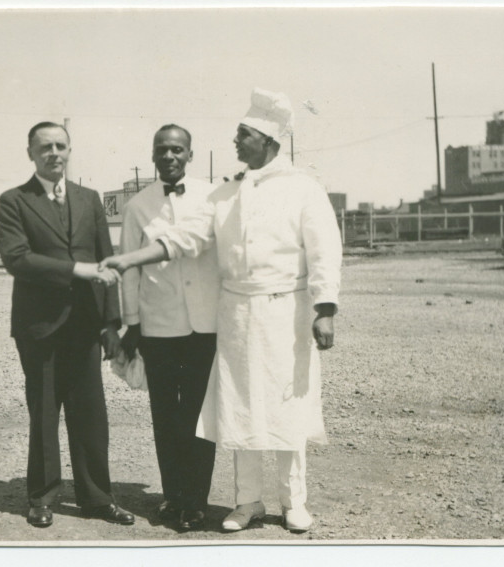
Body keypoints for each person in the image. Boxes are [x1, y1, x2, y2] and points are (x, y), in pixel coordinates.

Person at [102, 89, 342, 534]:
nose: (235, 142)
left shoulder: (304, 188)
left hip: (286, 312)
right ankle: (247, 501)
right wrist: (130, 259)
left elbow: (325, 251)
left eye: (243, 135)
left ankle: (294, 502)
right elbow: (185, 237)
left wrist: (324, 308)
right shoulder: (226, 193)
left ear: (268, 140)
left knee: (288, 407)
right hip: (235, 317)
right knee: (241, 408)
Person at [0, 121, 134, 528]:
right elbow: (17, 258)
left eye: (60, 146)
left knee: (91, 413)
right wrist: (78, 269)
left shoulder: (88, 198)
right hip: (39, 327)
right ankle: (42, 497)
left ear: (70, 150)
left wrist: (111, 323)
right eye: (44, 148)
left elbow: (106, 262)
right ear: (30, 154)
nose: (53, 153)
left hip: (86, 327)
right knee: (44, 413)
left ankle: (96, 498)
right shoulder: (14, 201)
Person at [118, 124, 221, 531]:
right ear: (153, 155)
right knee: (166, 416)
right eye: (162, 149)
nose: (169, 156)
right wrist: (132, 325)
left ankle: (196, 500)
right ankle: (173, 495)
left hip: (203, 326)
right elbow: (128, 271)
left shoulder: (212, 197)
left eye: (177, 149)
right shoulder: (136, 206)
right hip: (158, 326)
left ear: (190, 155)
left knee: (199, 414)